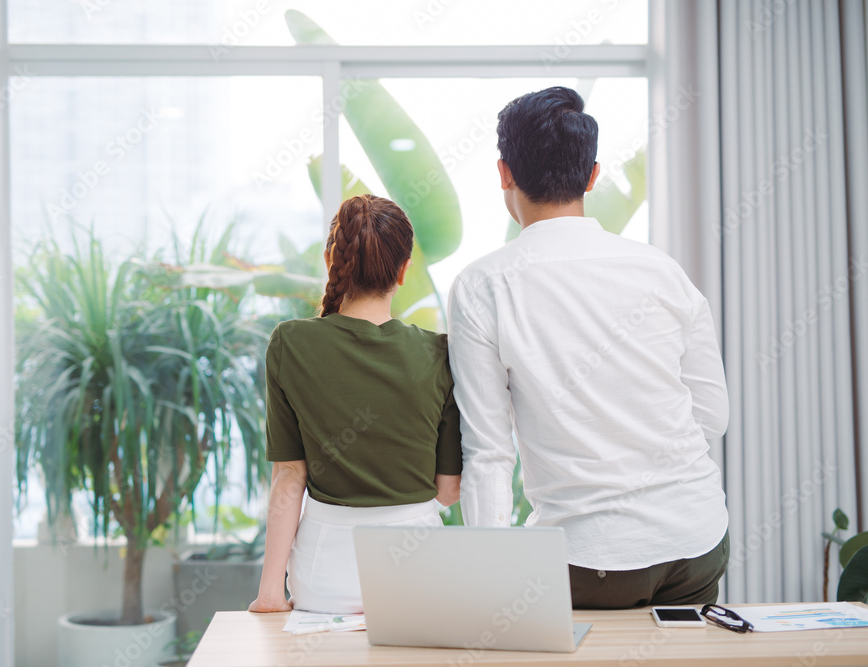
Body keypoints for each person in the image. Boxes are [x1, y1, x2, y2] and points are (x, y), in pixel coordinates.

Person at [448, 87, 730, 608]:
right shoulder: (662, 271)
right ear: (592, 176)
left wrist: (487, 577)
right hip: (695, 544)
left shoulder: (482, 285)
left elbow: (489, 453)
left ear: (504, 173)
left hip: (582, 560)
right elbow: (712, 415)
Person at [248, 194, 463, 614]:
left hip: (324, 576)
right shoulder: (439, 354)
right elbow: (448, 489)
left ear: (332, 260)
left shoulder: (290, 343)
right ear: (403, 271)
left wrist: (270, 593)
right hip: (421, 569)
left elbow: (289, 478)